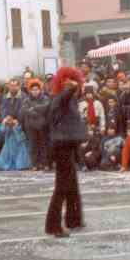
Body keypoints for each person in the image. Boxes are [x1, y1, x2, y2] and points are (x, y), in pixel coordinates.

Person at [45, 67, 86, 239]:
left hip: (69, 145)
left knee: (72, 186)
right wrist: (72, 85)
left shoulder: (69, 100)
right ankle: (53, 226)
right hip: (61, 146)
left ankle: (73, 219)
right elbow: (67, 93)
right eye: (68, 80)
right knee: (62, 187)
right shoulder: (60, 98)